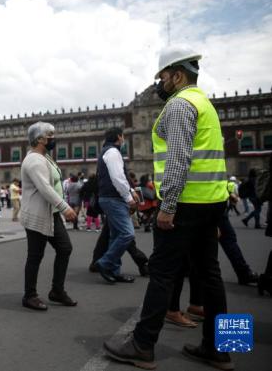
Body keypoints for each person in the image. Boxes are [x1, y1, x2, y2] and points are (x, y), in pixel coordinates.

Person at [104, 46, 232, 370]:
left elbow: (178, 159)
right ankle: (223, 349)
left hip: (185, 204)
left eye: (161, 76)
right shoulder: (205, 104)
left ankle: (142, 344)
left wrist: (168, 205)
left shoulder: (178, 106)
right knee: (210, 276)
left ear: (176, 75)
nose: (159, 82)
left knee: (162, 273)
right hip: (212, 202)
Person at [20, 122, 78, 310]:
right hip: (38, 214)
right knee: (35, 255)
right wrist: (65, 207)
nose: (54, 137)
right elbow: (44, 187)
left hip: (51, 214)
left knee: (65, 248)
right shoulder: (34, 160)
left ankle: (57, 291)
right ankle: (29, 295)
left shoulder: (45, 157)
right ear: (39, 139)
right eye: (50, 134)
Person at [92, 127, 139, 284]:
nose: (124, 139)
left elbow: (120, 175)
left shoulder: (109, 151)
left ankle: (114, 270)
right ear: (119, 137)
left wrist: (131, 190)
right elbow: (117, 177)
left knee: (115, 236)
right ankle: (104, 263)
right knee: (127, 233)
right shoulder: (113, 152)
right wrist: (128, 197)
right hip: (113, 198)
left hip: (111, 197)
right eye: (123, 136)